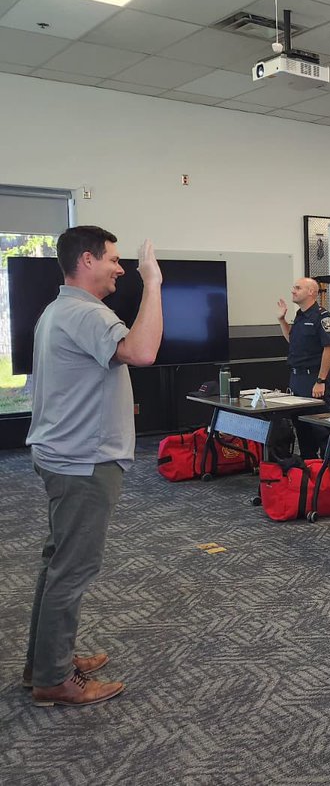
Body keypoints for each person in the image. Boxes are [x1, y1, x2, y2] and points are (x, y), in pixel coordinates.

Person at [24, 225, 163, 706]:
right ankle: (53, 680)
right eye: (113, 259)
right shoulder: (83, 313)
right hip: (82, 461)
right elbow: (143, 351)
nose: (120, 268)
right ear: (86, 260)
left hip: (65, 456)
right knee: (73, 568)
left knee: (58, 562)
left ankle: (44, 662)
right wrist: (154, 283)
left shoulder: (59, 310)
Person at [277, 277, 330, 458]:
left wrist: (321, 380)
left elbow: (329, 350)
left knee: (321, 430)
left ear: (311, 292)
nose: (293, 291)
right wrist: (282, 320)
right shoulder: (300, 315)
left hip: (314, 380)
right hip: (297, 380)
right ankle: (309, 470)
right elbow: (292, 340)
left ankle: (328, 474)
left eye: (297, 288)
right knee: (302, 430)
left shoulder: (323, 317)